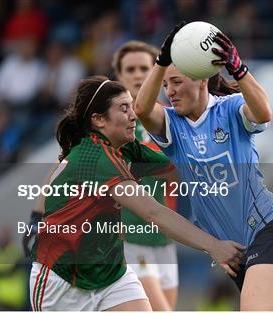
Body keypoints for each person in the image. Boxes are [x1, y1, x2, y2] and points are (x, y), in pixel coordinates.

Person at [29, 76, 243, 311]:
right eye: (124, 109)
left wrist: (212, 126)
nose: (133, 115)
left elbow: (182, 174)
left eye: (132, 107)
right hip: (62, 281)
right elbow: (153, 213)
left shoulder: (126, 148)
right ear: (99, 120)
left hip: (111, 274)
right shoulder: (95, 158)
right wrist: (213, 245)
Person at [134, 23, 273, 311]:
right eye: (166, 84)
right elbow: (142, 109)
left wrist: (238, 68)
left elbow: (264, 112)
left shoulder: (229, 108)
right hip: (239, 254)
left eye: (176, 82)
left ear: (201, 78)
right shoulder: (172, 126)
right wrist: (162, 62)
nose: (170, 91)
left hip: (271, 233)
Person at [112, 40, 179, 310]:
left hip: (164, 237)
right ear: (119, 76)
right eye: (131, 69)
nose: (138, 75)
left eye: (145, 68)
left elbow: (178, 178)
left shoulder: (170, 119)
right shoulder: (110, 123)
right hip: (130, 236)